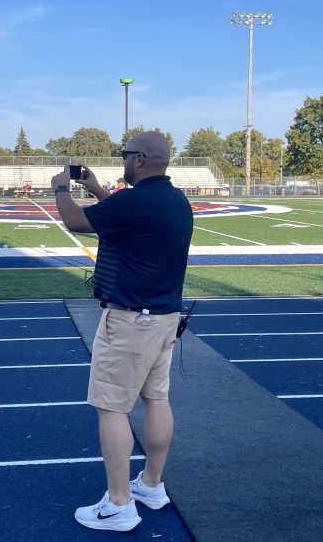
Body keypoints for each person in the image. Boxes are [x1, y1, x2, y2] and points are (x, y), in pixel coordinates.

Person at [51, 131, 193, 532]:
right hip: (164, 318)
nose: (123, 160)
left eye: (126, 154)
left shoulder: (139, 200)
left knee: (111, 408)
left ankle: (118, 504)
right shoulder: (173, 199)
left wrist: (61, 187)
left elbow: (76, 221)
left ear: (142, 159)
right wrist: (95, 187)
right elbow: (124, 215)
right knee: (157, 399)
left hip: (131, 321)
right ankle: (150, 484)